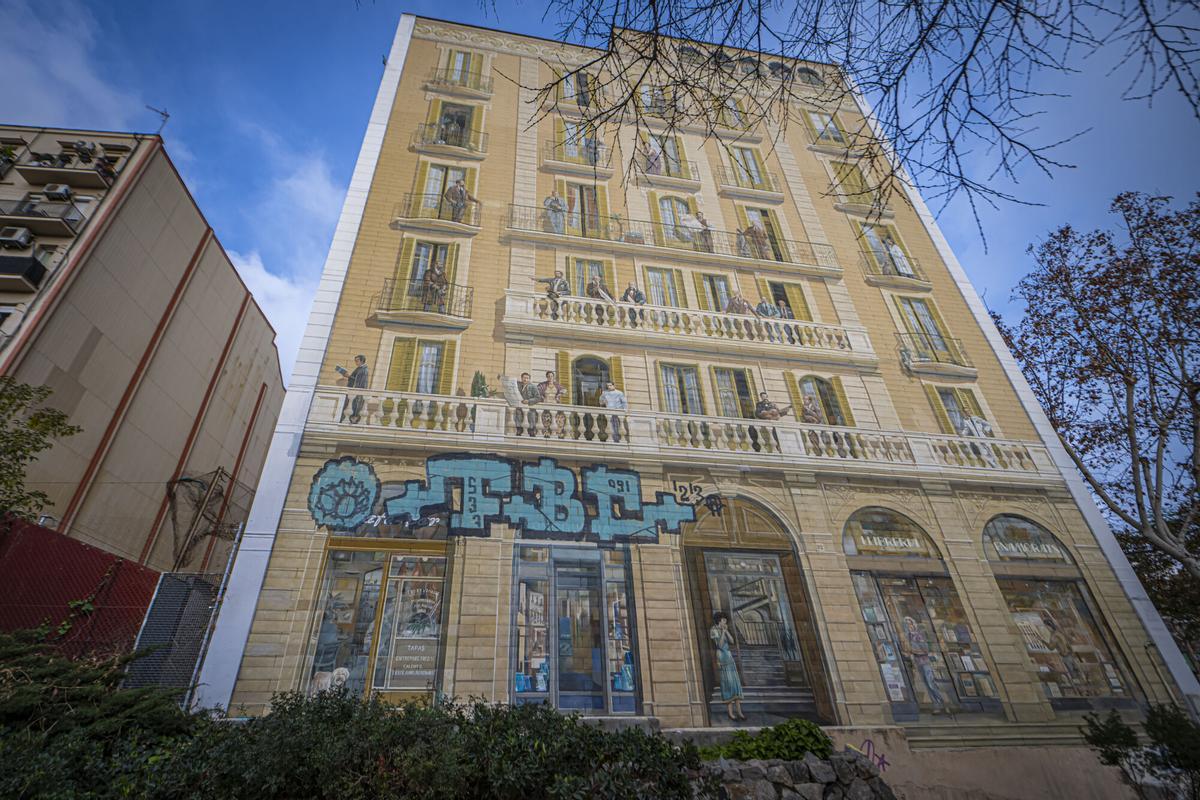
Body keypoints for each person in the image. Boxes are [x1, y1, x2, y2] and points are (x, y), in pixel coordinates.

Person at [710, 612, 746, 721]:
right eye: (723, 620)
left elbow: (732, 641)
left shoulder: (724, 629)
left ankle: (739, 711)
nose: (725, 622)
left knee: (735, 683)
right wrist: (723, 632)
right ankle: (730, 712)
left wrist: (726, 632)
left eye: (725, 620)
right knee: (728, 684)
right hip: (722, 658)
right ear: (719, 620)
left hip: (729, 657)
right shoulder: (714, 630)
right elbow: (720, 645)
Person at [335, 355, 369, 424]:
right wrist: (348, 376)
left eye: (357, 361)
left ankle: (352, 420)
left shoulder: (364, 369)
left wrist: (348, 376)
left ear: (362, 361)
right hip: (353, 391)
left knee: (354, 407)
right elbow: (355, 379)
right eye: (355, 361)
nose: (356, 362)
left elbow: (359, 382)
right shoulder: (360, 368)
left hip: (357, 392)